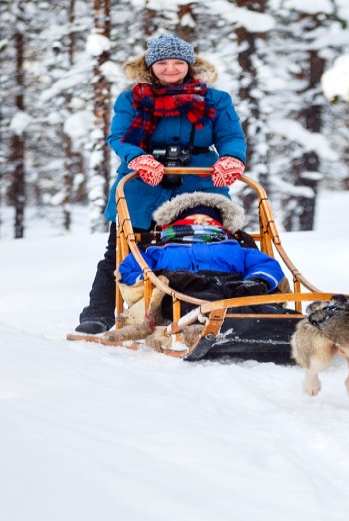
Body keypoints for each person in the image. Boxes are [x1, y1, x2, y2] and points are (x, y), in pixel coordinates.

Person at [74, 34, 249, 335]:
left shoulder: (216, 100)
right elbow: (119, 137)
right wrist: (139, 159)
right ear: (150, 65)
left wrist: (231, 158)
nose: (170, 69)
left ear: (190, 64)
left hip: (199, 182)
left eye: (178, 62)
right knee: (122, 249)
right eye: (163, 63)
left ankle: (220, 303)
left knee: (212, 244)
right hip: (143, 184)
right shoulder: (132, 99)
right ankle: (99, 312)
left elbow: (231, 136)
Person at [117, 192, 283, 321]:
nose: (200, 223)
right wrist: (159, 278)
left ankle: (281, 326)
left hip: (234, 287)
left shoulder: (236, 247)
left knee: (262, 305)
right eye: (192, 219)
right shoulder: (159, 249)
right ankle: (213, 324)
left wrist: (257, 280)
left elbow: (265, 264)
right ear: (175, 224)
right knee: (199, 304)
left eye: (208, 221)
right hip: (182, 290)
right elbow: (130, 269)